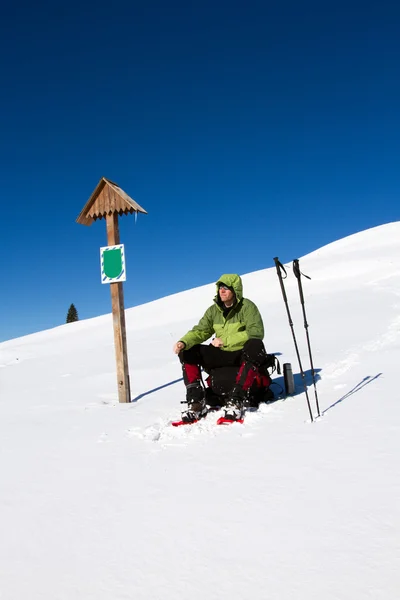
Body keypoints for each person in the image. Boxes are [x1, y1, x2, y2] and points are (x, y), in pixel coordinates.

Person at [173, 274, 269, 423]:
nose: (222, 291)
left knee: (256, 345)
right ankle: (196, 403)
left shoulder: (247, 307)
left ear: (235, 290)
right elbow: (201, 331)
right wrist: (184, 342)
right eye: (220, 288)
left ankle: (236, 400)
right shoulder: (213, 310)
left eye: (226, 288)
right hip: (221, 354)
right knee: (188, 352)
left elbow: (256, 332)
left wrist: (225, 341)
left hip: (241, 354)